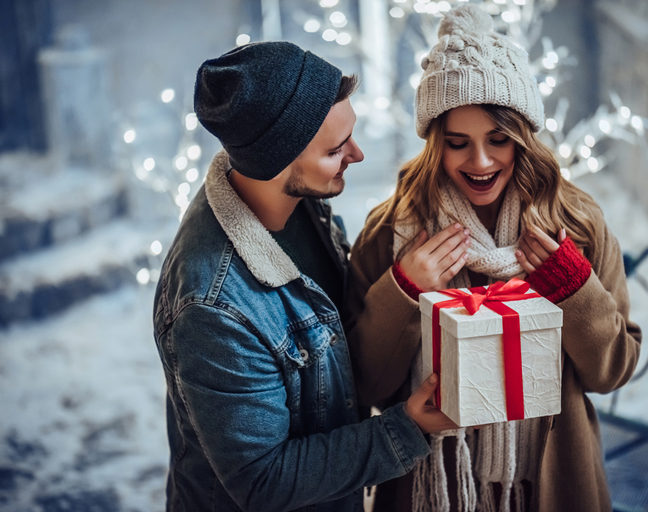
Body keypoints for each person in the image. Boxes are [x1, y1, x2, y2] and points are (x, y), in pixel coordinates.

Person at [344, 5, 642, 512]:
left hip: (551, 483)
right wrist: (403, 291)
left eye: (498, 140)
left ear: (524, 137)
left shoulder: (576, 224)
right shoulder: (391, 230)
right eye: (458, 143)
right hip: (429, 484)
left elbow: (612, 371)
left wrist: (574, 289)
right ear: (434, 142)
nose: (480, 162)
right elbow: (364, 385)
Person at [152, 41, 457, 512]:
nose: (357, 154)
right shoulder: (212, 307)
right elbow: (263, 480)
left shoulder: (301, 204)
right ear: (275, 161)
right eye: (336, 150)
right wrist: (406, 429)